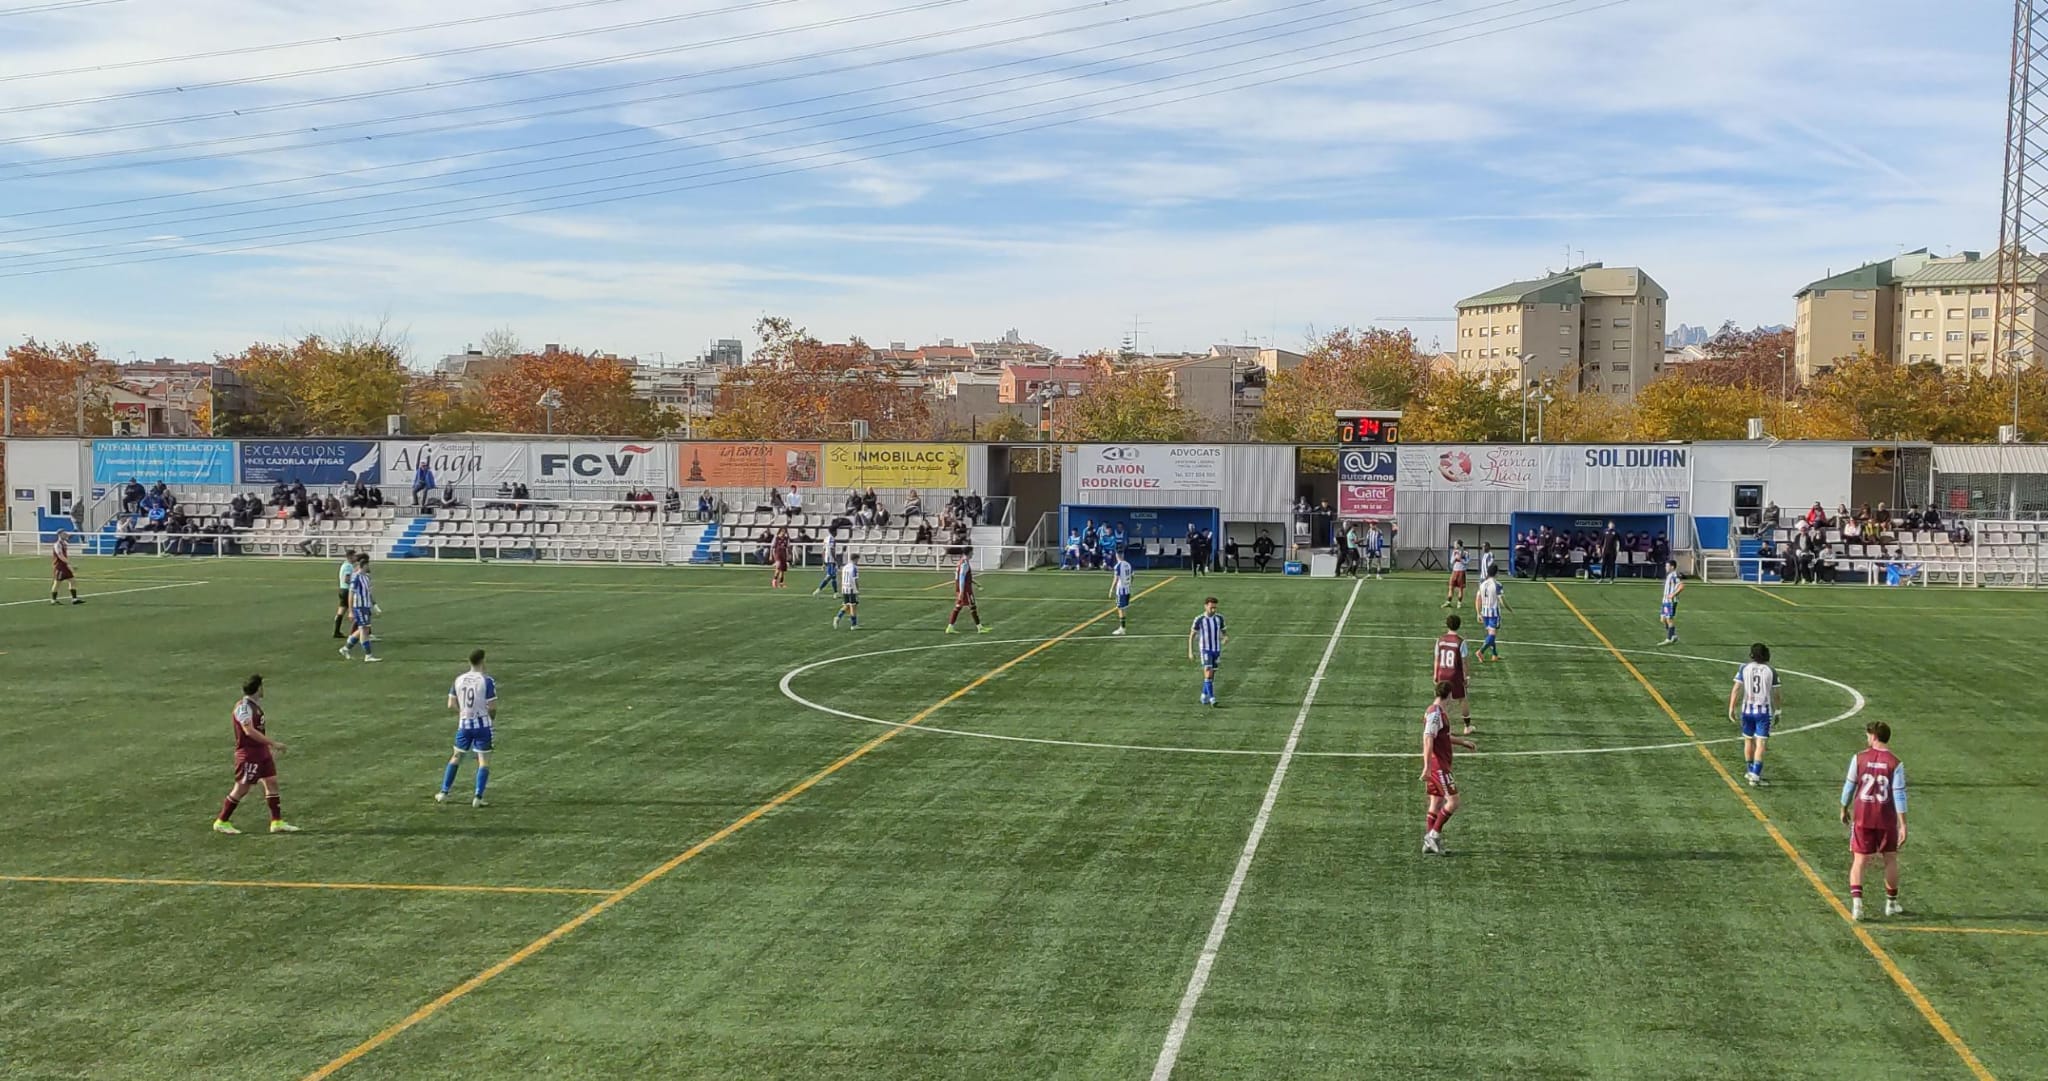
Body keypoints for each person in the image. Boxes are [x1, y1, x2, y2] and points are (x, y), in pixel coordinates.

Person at [211, 674, 299, 835]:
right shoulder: (243, 707)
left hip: (261, 752)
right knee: (242, 788)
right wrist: (273, 743)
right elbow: (248, 731)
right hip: (249, 754)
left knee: (271, 782)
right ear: (258, 688)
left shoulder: (254, 706)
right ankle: (222, 821)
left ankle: (277, 822)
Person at [1841, 721, 1907, 920]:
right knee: (1890, 859)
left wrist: (1843, 807)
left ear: (1874, 736)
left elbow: (1849, 786)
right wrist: (1903, 824)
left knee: (1859, 860)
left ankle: (1857, 906)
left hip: (1863, 816)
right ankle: (1891, 904)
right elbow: (1899, 794)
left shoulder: (1859, 758)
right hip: (1886, 818)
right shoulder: (1895, 763)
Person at [1420, 680, 1477, 856]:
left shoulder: (1437, 712)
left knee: (1436, 802)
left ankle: (1429, 843)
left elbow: (1442, 736)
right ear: (1450, 696)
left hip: (1438, 764)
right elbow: (1428, 738)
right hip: (1438, 766)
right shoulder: (1435, 714)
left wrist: (1463, 742)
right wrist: (1427, 767)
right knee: (1453, 801)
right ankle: (1433, 835)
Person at [438, 649, 498, 808]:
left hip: (464, 725)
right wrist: (491, 718)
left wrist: (463, 713)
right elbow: (492, 707)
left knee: (456, 756)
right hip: (482, 725)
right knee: (483, 761)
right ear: (482, 661)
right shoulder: (486, 680)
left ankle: (444, 792)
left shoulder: (459, 679)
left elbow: (450, 704)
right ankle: (478, 797)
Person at [1729, 642, 1781, 787]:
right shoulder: (1771, 670)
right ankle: (1755, 776)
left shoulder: (1744, 668)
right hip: (1763, 711)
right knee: (1761, 743)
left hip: (1747, 710)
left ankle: (1749, 770)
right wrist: (1778, 711)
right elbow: (1776, 694)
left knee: (1748, 740)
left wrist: (1731, 708)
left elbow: (1736, 689)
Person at [339, 553, 383, 662]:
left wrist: (374, 605)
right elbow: (351, 593)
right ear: (364, 566)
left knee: (363, 629)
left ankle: (345, 648)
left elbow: (369, 593)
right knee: (364, 630)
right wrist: (350, 611)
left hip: (366, 606)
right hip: (359, 607)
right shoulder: (356, 577)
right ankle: (368, 655)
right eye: (367, 565)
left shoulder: (366, 577)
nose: (369, 567)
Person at [1434, 613, 1474, 735]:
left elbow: (1436, 658)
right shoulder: (1460, 642)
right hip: (1455, 674)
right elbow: (1464, 661)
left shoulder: (1440, 640)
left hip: (1442, 673)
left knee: (1443, 700)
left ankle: (1443, 727)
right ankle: (1467, 727)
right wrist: (1466, 676)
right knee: (1462, 699)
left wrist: (1435, 674)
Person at [1188, 596, 1227, 706]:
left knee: (1211, 675)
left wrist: (1225, 638)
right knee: (1208, 673)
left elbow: (1224, 631)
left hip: (1216, 650)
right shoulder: (1199, 619)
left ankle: (1204, 695)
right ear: (1205, 606)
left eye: (1215, 608)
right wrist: (1190, 651)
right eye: (1211, 607)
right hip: (1205, 650)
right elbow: (1191, 636)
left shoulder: (1219, 618)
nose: (1213, 610)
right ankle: (1212, 698)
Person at [1474, 565, 1510, 662]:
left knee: (1490, 634)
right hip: (1494, 613)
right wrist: (1509, 608)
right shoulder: (1497, 584)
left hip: (1484, 612)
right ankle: (1480, 651)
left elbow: (1478, 599)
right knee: (1492, 635)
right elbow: (1501, 600)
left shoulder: (1482, 584)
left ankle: (1494, 655)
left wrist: (1478, 613)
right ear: (1496, 573)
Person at [946, 553, 988, 634]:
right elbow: (961, 577)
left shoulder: (960, 562)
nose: (973, 554)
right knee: (972, 607)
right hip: (966, 590)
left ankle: (950, 627)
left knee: (958, 607)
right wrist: (962, 591)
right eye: (972, 552)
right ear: (969, 553)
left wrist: (975, 583)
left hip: (961, 589)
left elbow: (961, 577)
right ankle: (980, 628)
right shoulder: (964, 563)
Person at [50, 527, 82, 605]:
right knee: (57, 583)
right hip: (59, 566)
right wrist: (69, 563)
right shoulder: (57, 544)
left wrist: (74, 531)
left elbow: (69, 537)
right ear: (60, 534)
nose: (66, 535)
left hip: (64, 565)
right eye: (64, 534)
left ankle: (74, 599)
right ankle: (53, 600)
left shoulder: (63, 543)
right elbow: (60, 555)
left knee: (72, 580)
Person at [1657, 560, 1684, 645]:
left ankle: (1669, 638)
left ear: (1672, 567)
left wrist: (1673, 594)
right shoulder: (1669, 575)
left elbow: (1681, 586)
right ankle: (1673, 635)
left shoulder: (1674, 575)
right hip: (1665, 601)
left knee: (1669, 619)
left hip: (1671, 601)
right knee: (1663, 619)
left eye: (1667, 566)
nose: (1665, 567)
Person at [333, 548, 358, 638]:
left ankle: (336, 632)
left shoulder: (345, 565)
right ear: (350, 556)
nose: (356, 557)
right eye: (354, 556)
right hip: (347, 591)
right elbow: (347, 579)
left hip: (342, 590)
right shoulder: (348, 566)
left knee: (341, 611)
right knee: (356, 611)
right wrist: (355, 582)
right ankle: (355, 633)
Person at [832, 553, 861, 629]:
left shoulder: (845, 567)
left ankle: (838, 617)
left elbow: (842, 577)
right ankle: (854, 625)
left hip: (844, 588)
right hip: (851, 588)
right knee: (853, 606)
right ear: (855, 559)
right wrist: (857, 590)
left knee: (847, 605)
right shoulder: (854, 568)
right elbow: (855, 579)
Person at [1109, 550, 1135, 636]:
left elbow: (1116, 578)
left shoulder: (1118, 566)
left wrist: (1111, 589)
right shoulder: (1128, 564)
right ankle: (1122, 627)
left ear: (1117, 555)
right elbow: (1132, 576)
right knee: (1123, 608)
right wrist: (1129, 584)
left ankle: (1122, 628)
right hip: (1127, 589)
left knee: (1120, 608)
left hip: (1121, 590)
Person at [812, 530, 840, 596]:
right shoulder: (832, 539)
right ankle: (819, 589)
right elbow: (832, 550)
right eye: (836, 531)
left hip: (827, 559)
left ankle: (836, 593)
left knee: (833, 576)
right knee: (830, 576)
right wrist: (836, 560)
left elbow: (823, 551)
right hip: (831, 560)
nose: (837, 533)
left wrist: (824, 562)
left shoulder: (826, 539)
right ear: (834, 532)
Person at [1442, 541, 1468, 608]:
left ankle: (1459, 603)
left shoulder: (1465, 552)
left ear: (1459, 545)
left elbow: (1467, 561)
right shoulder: (1454, 552)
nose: (1454, 545)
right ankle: (1448, 602)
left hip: (1461, 571)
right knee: (1451, 586)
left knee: (1460, 588)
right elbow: (1451, 562)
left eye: (1455, 544)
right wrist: (1455, 558)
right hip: (1454, 571)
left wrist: (1461, 559)